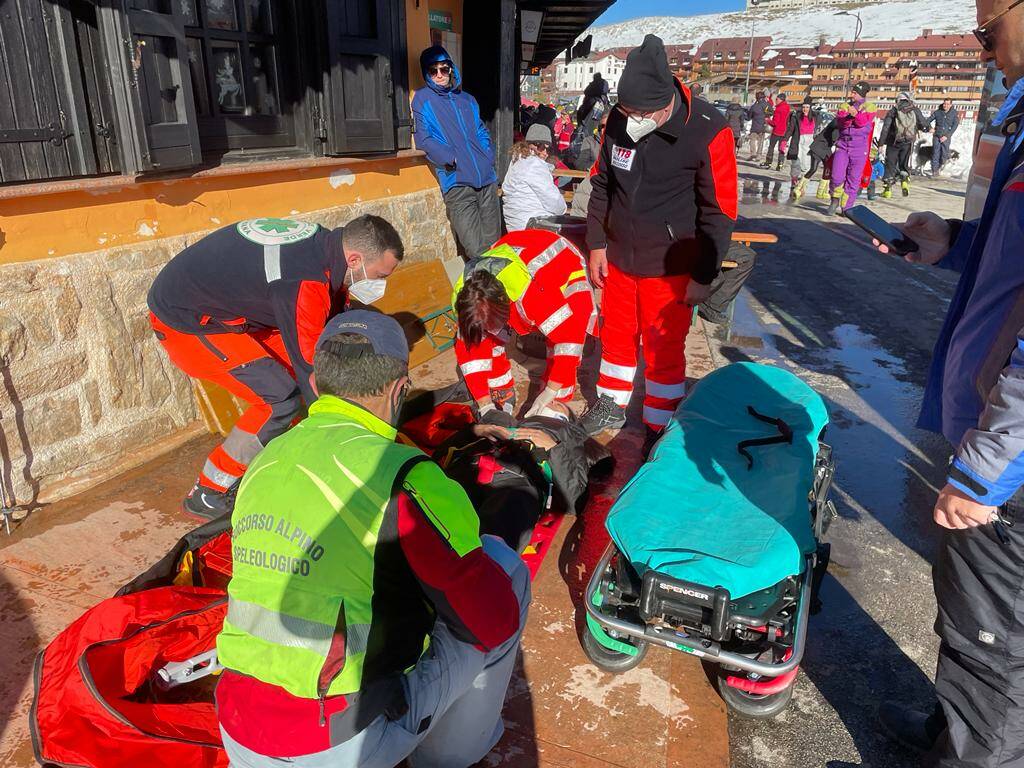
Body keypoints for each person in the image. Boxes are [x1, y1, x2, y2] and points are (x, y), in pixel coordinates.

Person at [215, 310, 530, 768]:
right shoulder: (404, 474)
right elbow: (491, 621)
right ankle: (449, 755)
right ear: (399, 389)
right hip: (332, 743)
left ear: (318, 386)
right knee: (504, 570)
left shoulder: (266, 459)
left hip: (239, 727)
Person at [874, 1, 1024, 763]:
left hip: (1012, 451)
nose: (982, 45)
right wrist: (956, 243)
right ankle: (951, 735)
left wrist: (986, 469)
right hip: (999, 431)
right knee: (976, 620)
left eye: (987, 24)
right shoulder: (1023, 116)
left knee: (994, 636)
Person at [147, 215, 402, 519]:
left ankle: (287, 449)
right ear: (356, 258)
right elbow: (311, 367)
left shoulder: (327, 250)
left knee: (304, 381)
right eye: (379, 275)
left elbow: (327, 328)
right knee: (280, 399)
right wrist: (342, 443)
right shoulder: (304, 281)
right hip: (187, 320)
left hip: (236, 309)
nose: (379, 284)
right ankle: (209, 490)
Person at [581, 34, 738, 441]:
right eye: (626, 109)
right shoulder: (617, 121)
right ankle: (611, 406)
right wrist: (597, 243)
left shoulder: (708, 130)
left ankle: (659, 422)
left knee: (663, 348)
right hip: (619, 258)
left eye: (639, 111)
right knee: (612, 338)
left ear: (665, 101)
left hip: (671, 266)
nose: (631, 118)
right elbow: (601, 185)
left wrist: (703, 275)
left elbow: (718, 212)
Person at [452, 229, 595, 422]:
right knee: (487, 337)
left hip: (562, 265)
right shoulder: (467, 302)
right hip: (517, 255)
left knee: (561, 338)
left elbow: (569, 339)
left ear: (506, 303)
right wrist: (484, 403)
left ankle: (557, 403)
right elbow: (471, 353)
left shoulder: (532, 294)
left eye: (494, 322)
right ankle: (501, 392)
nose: (491, 329)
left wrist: (551, 391)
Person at [413, 46, 500, 260]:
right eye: (433, 71)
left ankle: (499, 290)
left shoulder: (467, 100)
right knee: (476, 249)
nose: (440, 75)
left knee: (496, 245)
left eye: (444, 68)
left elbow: (481, 131)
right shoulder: (422, 99)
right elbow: (423, 138)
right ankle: (483, 291)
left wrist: (487, 156)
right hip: (457, 183)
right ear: (427, 73)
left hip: (486, 180)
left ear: (451, 69)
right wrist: (451, 159)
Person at [501, 124, 567, 232]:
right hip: (534, 226)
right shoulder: (534, 165)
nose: (546, 153)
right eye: (543, 147)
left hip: (516, 225)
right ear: (533, 145)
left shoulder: (517, 160)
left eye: (548, 149)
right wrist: (563, 208)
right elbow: (555, 203)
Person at [828, 80, 876, 216]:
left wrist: (856, 114)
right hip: (843, 145)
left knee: (853, 179)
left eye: (854, 92)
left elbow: (862, 123)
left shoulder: (871, 107)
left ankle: (846, 207)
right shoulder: (845, 105)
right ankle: (835, 199)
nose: (851, 94)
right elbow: (841, 123)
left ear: (861, 93)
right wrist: (849, 116)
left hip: (859, 147)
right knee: (837, 176)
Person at [879, 91, 930, 198]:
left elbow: (885, 128)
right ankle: (904, 183)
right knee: (904, 163)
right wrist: (924, 128)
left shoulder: (893, 111)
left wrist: (881, 143)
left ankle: (887, 190)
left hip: (893, 142)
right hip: (908, 142)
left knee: (890, 165)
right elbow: (924, 124)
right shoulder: (914, 110)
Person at [795, 116, 839, 200]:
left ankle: (822, 192)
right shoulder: (836, 122)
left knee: (828, 170)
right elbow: (834, 136)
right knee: (813, 169)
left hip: (826, 149)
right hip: (818, 147)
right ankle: (799, 188)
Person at [785, 97, 818, 195]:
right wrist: (784, 140)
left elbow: (820, 130)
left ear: (810, 108)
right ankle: (794, 182)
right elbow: (790, 129)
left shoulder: (816, 117)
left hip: (809, 142)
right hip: (798, 141)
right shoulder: (797, 116)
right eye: (803, 107)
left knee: (806, 165)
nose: (805, 109)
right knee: (795, 163)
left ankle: (803, 186)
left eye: (807, 107)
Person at [929, 97, 961, 175]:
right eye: (944, 103)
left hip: (946, 137)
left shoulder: (954, 113)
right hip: (937, 136)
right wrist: (930, 128)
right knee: (935, 153)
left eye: (947, 104)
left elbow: (955, 125)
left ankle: (939, 166)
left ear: (951, 105)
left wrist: (947, 136)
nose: (945, 105)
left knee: (944, 154)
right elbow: (928, 120)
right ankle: (934, 170)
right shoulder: (937, 112)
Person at [762, 92, 791, 170]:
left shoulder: (779, 109)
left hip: (777, 131)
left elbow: (775, 123)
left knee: (771, 147)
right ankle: (780, 164)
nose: (776, 101)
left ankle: (768, 162)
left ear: (781, 100)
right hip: (784, 131)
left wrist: (768, 120)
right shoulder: (788, 108)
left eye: (777, 99)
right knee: (781, 149)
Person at [747, 90, 771, 162]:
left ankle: (753, 153)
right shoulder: (767, 105)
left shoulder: (754, 106)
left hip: (754, 126)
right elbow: (771, 112)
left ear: (756, 97)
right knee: (760, 141)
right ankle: (759, 155)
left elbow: (749, 116)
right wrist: (766, 115)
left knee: (752, 140)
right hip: (763, 125)